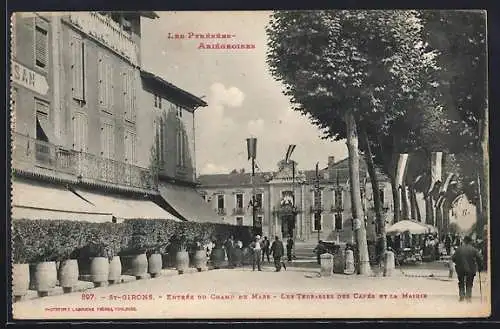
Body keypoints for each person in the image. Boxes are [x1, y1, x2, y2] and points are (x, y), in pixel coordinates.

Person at [451, 235, 483, 302]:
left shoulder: (459, 249)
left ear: (464, 241)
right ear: (470, 242)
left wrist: (458, 261)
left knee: (461, 282)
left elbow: (453, 258)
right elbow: (480, 258)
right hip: (470, 269)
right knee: (469, 283)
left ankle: (462, 296)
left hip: (460, 269)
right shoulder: (473, 249)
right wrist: (480, 266)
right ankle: (468, 297)